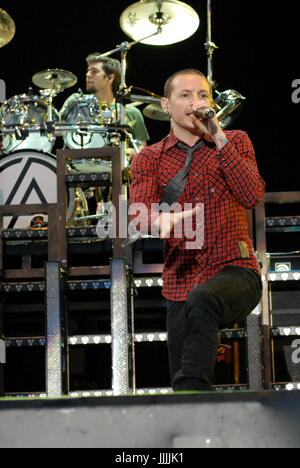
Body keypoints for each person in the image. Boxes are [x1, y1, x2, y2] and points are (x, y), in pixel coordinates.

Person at [130, 68, 266, 392]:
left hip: (236, 269)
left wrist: (218, 135)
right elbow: (137, 213)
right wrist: (158, 221)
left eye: (203, 95)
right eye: (186, 95)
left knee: (203, 301)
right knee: (186, 381)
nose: (196, 102)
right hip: (181, 283)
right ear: (166, 105)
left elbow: (252, 194)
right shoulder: (149, 158)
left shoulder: (234, 141)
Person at [60, 54, 150, 164]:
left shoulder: (131, 112)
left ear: (110, 78)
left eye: (94, 71)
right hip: (76, 168)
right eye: (88, 71)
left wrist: (129, 152)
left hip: (116, 172)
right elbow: (57, 130)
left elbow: (142, 148)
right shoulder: (76, 101)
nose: (87, 75)